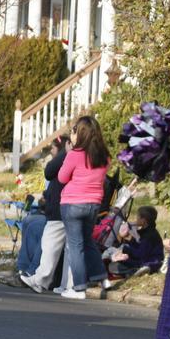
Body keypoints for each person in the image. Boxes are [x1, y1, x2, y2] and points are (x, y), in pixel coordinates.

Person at [57, 116, 111, 300]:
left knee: (76, 246)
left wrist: (69, 152)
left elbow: (62, 178)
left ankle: (79, 288)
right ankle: (102, 277)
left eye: (73, 131)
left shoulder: (75, 154)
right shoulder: (104, 157)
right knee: (87, 242)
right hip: (94, 204)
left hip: (73, 203)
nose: (71, 135)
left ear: (80, 134)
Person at [21, 134, 69, 294]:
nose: (51, 152)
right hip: (52, 207)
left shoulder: (65, 160)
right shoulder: (64, 160)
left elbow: (51, 174)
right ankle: (24, 268)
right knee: (29, 221)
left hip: (60, 210)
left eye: (53, 148)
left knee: (41, 231)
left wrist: (46, 200)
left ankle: (35, 273)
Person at [108, 205, 165, 277]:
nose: (136, 219)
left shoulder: (149, 235)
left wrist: (125, 250)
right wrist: (130, 240)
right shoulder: (148, 231)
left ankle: (137, 270)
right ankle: (137, 270)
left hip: (150, 261)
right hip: (148, 259)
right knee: (115, 262)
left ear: (143, 220)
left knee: (113, 266)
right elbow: (141, 247)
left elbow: (140, 254)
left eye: (138, 217)